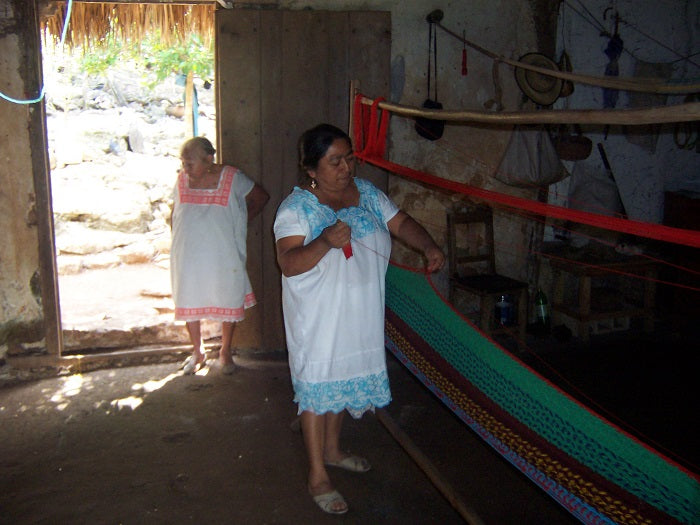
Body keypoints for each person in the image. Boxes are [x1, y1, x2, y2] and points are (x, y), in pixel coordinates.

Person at [273, 124, 444, 514]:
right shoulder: (296, 209)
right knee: (318, 387)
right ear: (311, 169)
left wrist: (428, 245)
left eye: (349, 158)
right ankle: (318, 474)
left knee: (343, 377)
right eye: (334, 161)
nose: (346, 167)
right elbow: (288, 263)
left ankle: (332, 450)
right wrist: (323, 242)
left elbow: (400, 223)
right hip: (317, 318)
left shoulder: (367, 194)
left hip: (360, 313)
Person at [171, 137, 269, 375]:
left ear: (208, 159)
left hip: (223, 253)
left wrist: (240, 222)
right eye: (183, 163)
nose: (185, 169)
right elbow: (175, 212)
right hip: (188, 254)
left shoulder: (232, 177)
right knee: (189, 296)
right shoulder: (182, 180)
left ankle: (225, 352)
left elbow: (260, 197)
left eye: (189, 163)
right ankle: (197, 352)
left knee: (227, 295)